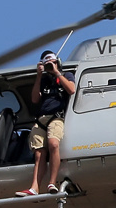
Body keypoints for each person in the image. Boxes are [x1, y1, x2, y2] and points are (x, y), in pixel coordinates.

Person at [17, 50, 76, 196]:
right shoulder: (43, 81)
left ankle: (52, 182)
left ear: (58, 63)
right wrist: (38, 75)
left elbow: (71, 89)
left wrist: (57, 73)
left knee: (54, 144)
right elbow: (35, 99)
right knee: (38, 153)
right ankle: (34, 188)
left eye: (54, 63)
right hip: (41, 118)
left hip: (56, 117)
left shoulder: (66, 75)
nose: (52, 66)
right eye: (49, 64)